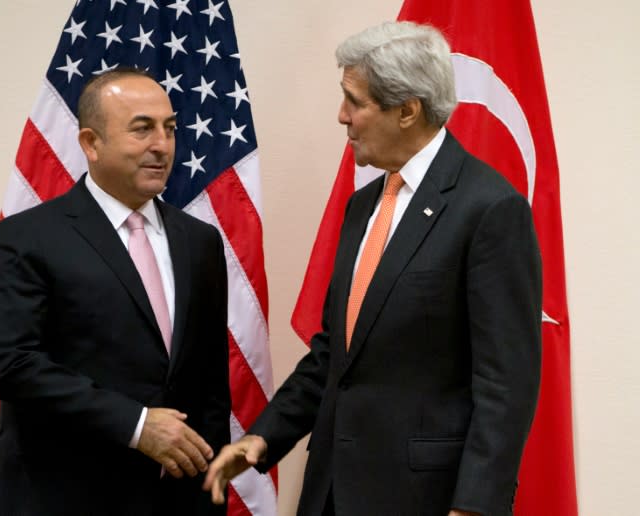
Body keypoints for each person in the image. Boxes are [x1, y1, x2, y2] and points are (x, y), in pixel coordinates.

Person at [204, 21, 542, 516]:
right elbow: (336, 354)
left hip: (424, 498)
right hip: (332, 491)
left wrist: (475, 505)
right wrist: (263, 438)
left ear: (407, 109)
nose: (342, 117)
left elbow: (506, 382)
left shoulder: (489, 208)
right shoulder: (363, 206)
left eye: (354, 101)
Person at [0, 68, 230, 516]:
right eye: (142, 129)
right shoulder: (27, 237)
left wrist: (209, 493)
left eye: (170, 129)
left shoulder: (200, 242)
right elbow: (12, 364)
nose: (162, 145)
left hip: (169, 502)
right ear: (91, 143)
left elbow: (210, 382)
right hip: (57, 495)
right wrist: (136, 425)